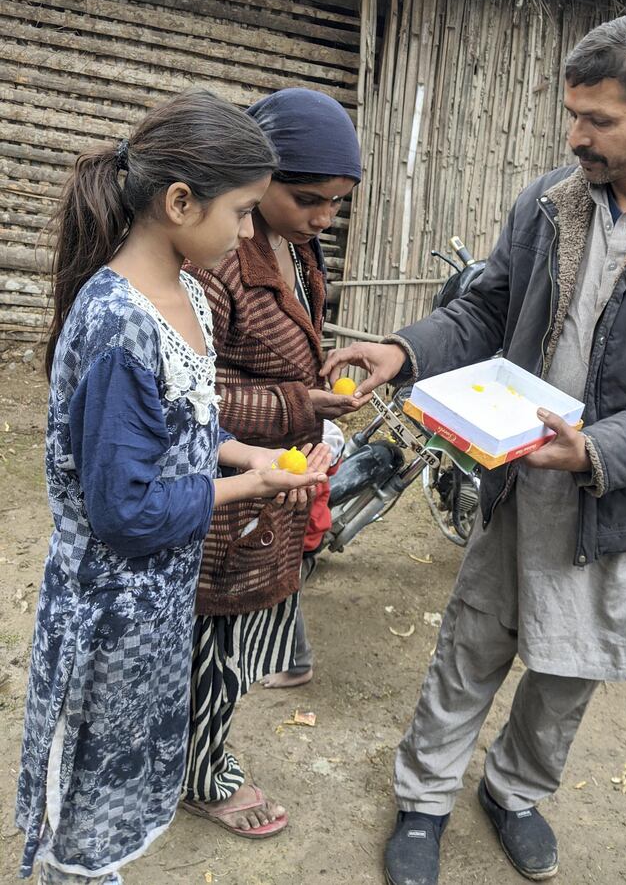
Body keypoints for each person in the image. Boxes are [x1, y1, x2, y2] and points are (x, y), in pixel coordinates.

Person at [322, 16, 626, 884]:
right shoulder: (552, 201)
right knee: (473, 639)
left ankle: (513, 790)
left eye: (600, 120)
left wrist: (596, 450)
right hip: (519, 473)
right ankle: (422, 800)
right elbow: (487, 307)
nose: (577, 136)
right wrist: (406, 350)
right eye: (572, 114)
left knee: (572, 662)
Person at [14, 91, 326, 885]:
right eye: (243, 211)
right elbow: (125, 511)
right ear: (180, 202)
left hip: (158, 602)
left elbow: (191, 420)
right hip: (110, 613)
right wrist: (245, 491)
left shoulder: (185, 293)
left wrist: (250, 454)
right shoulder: (119, 325)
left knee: (126, 770)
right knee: (87, 797)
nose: (250, 231)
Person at [181, 87, 363, 837]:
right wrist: (303, 403)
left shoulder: (295, 246)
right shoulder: (217, 263)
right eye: (311, 199)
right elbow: (196, 397)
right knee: (214, 644)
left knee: (253, 620)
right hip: (230, 486)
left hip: (275, 479)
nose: (325, 217)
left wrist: (313, 390)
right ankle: (200, 775)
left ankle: (276, 653)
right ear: (258, 180)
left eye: (338, 203)